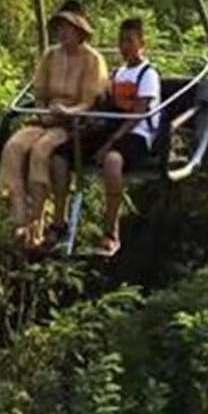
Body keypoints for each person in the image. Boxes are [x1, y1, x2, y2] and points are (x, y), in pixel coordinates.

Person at [0, 5, 108, 249]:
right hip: (46, 117)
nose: (62, 33)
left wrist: (68, 112)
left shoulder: (92, 61)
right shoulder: (50, 56)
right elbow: (39, 92)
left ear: (79, 31)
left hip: (73, 123)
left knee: (42, 151)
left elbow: (89, 102)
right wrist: (42, 110)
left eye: (67, 28)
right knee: (14, 146)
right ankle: (19, 216)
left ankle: (37, 222)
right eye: (60, 28)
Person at [92, 17, 162, 258]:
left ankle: (111, 230)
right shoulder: (118, 73)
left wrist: (110, 143)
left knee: (112, 160)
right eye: (121, 41)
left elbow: (138, 114)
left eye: (130, 41)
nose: (125, 46)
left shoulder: (148, 74)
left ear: (142, 43)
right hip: (116, 129)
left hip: (138, 133)